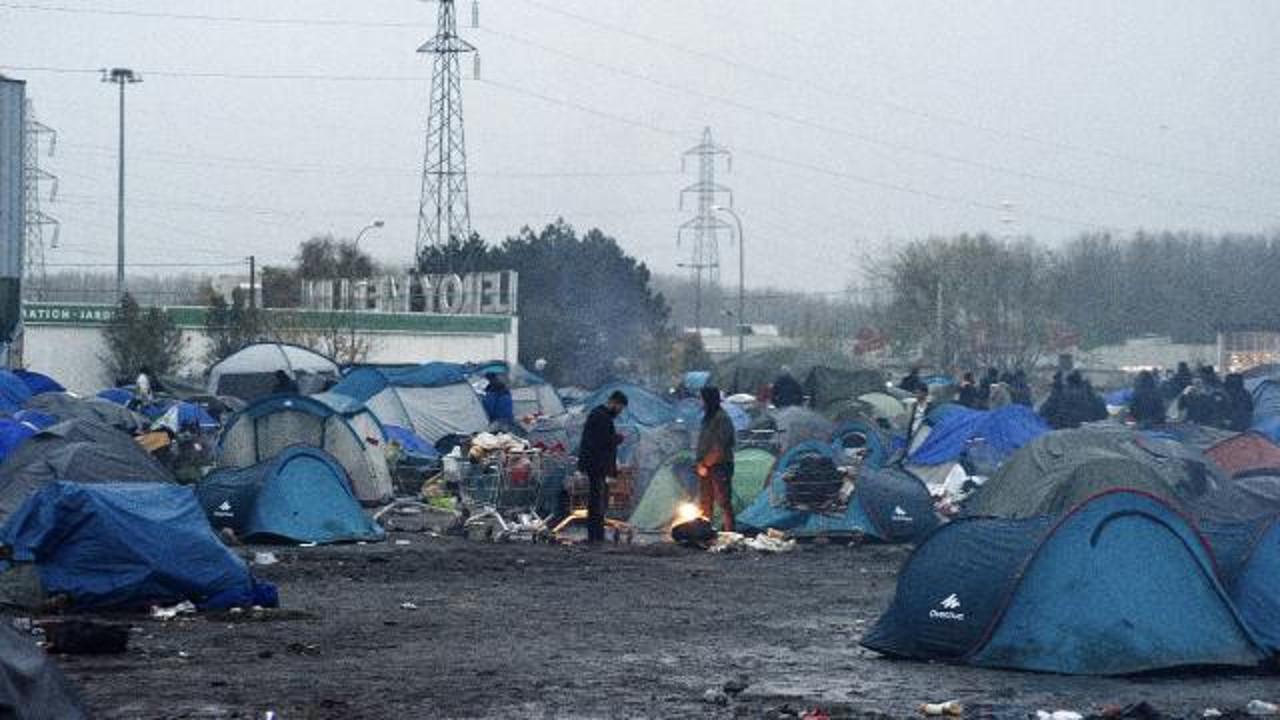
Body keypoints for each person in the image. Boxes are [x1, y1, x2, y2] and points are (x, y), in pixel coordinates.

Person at [577, 390, 628, 543]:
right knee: (597, 501)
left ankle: (596, 534)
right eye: (620, 407)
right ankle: (596, 535)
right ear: (613, 402)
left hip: (596, 465)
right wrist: (617, 438)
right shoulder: (601, 417)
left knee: (597, 500)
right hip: (596, 466)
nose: (620, 411)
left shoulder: (599, 415)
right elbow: (601, 441)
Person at [695, 386, 736, 532]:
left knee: (724, 501)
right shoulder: (708, 418)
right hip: (706, 466)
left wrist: (705, 463)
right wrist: (700, 462)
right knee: (705, 501)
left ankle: (730, 533)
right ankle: (705, 532)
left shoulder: (722, 418)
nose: (700, 402)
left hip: (720, 465)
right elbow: (704, 442)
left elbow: (719, 446)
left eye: (702, 399)